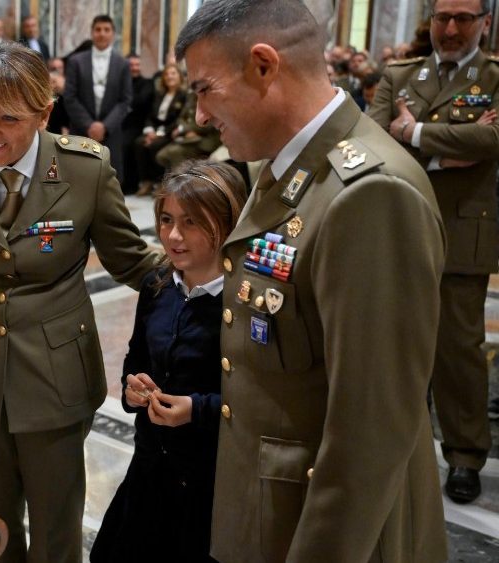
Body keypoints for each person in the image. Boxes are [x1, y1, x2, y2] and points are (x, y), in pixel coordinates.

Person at [176, 1, 447, 561]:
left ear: (263, 66)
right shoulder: (286, 167)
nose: (199, 115)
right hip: (271, 510)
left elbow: (369, 434)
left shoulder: (369, 194)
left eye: (205, 89)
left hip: (329, 532)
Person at [0, 42, 157, 563]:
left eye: (8, 119)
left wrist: (203, 279)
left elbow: (132, 261)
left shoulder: (84, 171)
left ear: (45, 113)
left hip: (55, 377)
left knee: (56, 531)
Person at [368, 0, 498, 505]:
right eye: (443, 17)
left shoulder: (492, 74)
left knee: (458, 351)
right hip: (401, 225)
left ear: (484, 22)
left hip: (464, 233)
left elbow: (492, 140)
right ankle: (404, 444)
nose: (450, 28)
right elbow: (374, 139)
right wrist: (454, 149)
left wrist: (416, 132)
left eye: (463, 18)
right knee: (397, 344)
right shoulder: (402, 73)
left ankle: (465, 454)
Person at [90, 160, 247, 563]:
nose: (173, 236)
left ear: (226, 225)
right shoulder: (157, 284)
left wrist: (196, 409)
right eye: (166, 219)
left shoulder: (244, 301)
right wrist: (132, 387)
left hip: (209, 484)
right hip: (149, 470)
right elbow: (136, 358)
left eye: (192, 222)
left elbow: (257, 400)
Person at [63, 15, 132, 176]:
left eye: (106, 30)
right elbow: (70, 97)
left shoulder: (123, 64)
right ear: (92, 33)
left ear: (113, 34)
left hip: (110, 132)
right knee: (79, 177)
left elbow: (125, 100)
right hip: (81, 130)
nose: (102, 33)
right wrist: (89, 124)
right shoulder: (75, 61)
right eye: (98, 29)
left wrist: (104, 126)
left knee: (109, 180)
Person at [134, 64, 188, 195]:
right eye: (167, 74)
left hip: (170, 132)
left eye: (173, 73)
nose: (170, 76)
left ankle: (159, 182)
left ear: (180, 76)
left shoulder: (184, 95)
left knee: (154, 146)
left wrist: (159, 134)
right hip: (154, 131)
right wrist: (150, 131)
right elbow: (150, 115)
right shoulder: (159, 94)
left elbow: (179, 119)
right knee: (138, 143)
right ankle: (146, 181)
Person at [119, 53, 155, 194]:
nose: (134, 68)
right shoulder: (120, 83)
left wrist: (126, 102)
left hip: (138, 125)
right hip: (120, 124)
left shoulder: (147, 83)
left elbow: (140, 102)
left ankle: (129, 185)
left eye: (137, 65)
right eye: (131, 65)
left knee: (124, 144)